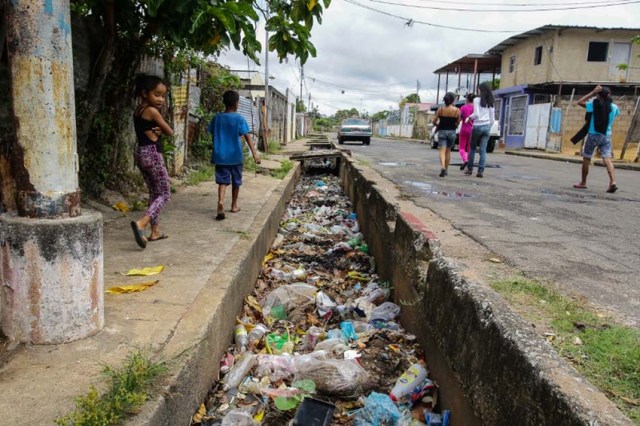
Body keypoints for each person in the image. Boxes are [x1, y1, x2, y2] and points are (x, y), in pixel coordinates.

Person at [130, 74, 174, 249]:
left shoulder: (139, 110)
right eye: (156, 94)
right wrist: (161, 130)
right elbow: (169, 131)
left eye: (163, 95)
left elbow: (149, 130)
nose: (161, 99)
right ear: (144, 93)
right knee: (165, 193)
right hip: (153, 154)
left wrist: (157, 131)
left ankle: (155, 231)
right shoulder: (153, 111)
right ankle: (143, 223)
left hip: (141, 153)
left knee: (154, 193)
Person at [208, 90, 261, 220]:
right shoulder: (239, 119)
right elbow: (248, 137)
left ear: (224, 102)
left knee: (222, 181)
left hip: (220, 155)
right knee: (236, 182)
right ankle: (233, 205)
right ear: (237, 103)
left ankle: (220, 201)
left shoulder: (217, 118)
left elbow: (212, 134)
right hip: (235, 156)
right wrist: (255, 154)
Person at [573, 85, 619, 193]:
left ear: (598, 95)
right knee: (607, 159)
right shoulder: (615, 107)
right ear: (609, 95)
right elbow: (613, 116)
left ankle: (583, 182)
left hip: (593, 135)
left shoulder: (593, 105)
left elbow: (579, 102)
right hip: (606, 135)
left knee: (587, 158)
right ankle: (612, 182)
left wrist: (592, 92)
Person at [465, 82, 495, 178]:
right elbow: (492, 119)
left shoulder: (476, 100)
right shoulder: (491, 101)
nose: (477, 90)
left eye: (478, 89)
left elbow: (476, 114)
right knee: (483, 150)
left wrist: (469, 118)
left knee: (472, 148)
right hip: (486, 127)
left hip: (477, 126)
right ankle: (480, 171)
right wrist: (488, 127)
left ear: (481, 90)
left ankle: (470, 169)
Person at [432, 92, 460, 177]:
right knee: (448, 151)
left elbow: (434, 121)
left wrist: (437, 125)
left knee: (442, 151)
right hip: (452, 132)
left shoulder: (440, 109)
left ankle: (443, 167)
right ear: (453, 100)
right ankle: (446, 169)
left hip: (442, 132)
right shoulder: (457, 110)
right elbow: (458, 123)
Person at [458, 93, 475, 170]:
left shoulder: (463, 107)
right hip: (473, 130)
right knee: (469, 148)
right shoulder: (476, 108)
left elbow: (460, 118)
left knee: (461, 148)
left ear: (467, 99)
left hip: (464, 129)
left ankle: (465, 160)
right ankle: (469, 162)